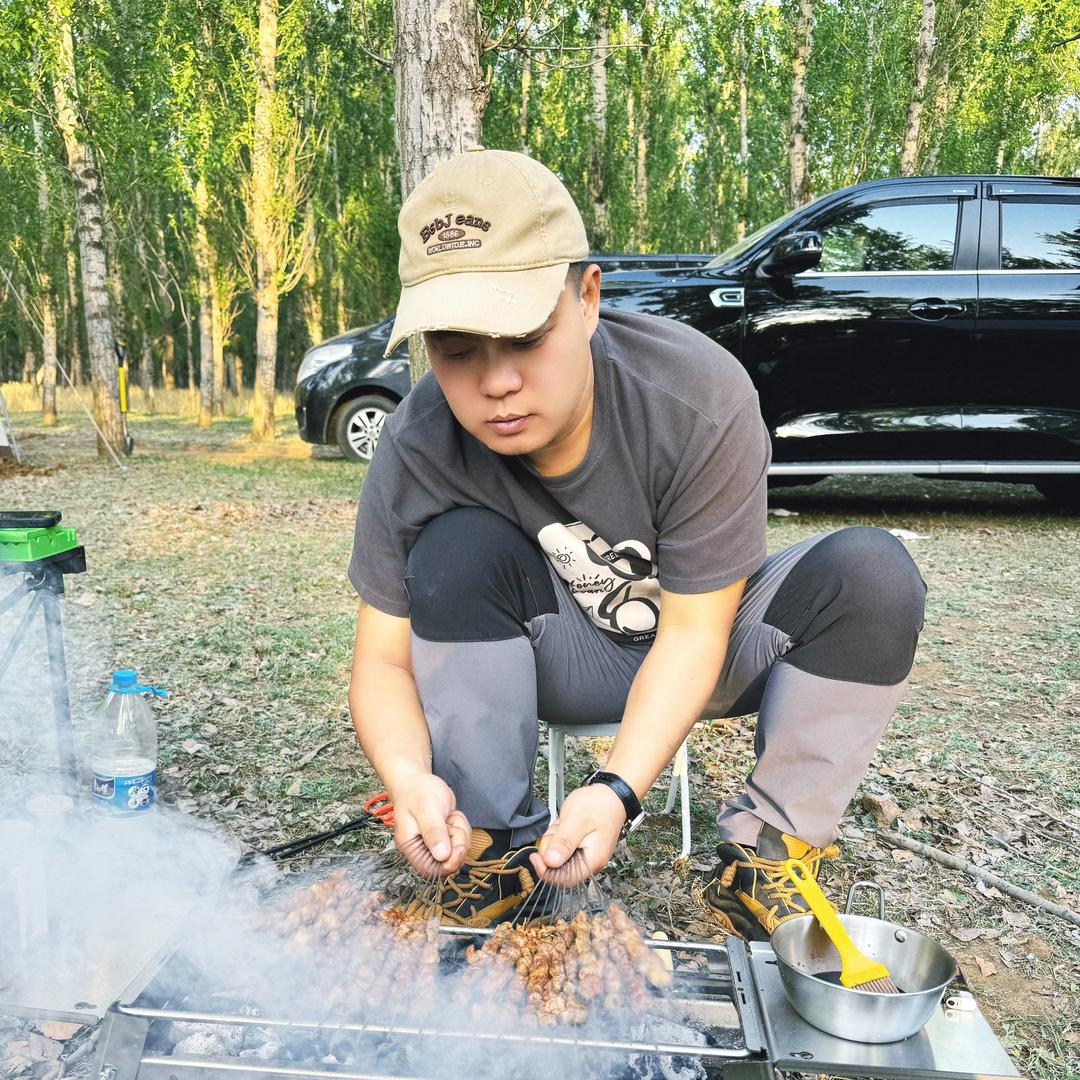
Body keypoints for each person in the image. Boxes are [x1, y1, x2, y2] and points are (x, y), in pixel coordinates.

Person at [347, 148, 926, 940]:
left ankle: (771, 853)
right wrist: (409, 776)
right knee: (454, 550)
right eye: (455, 348)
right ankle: (484, 846)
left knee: (874, 573)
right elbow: (380, 658)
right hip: (554, 656)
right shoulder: (419, 444)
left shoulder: (695, 393)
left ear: (587, 298)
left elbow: (694, 632)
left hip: (710, 641)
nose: (496, 382)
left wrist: (616, 788)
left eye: (522, 335)